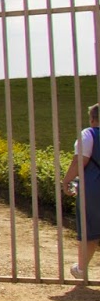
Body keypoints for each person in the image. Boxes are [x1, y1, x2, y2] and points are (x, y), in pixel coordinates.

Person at [60, 103, 100, 281]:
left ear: (92, 119)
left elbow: (79, 162)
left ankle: (81, 269)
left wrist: (67, 180)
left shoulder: (89, 134)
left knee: (89, 229)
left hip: (94, 188)